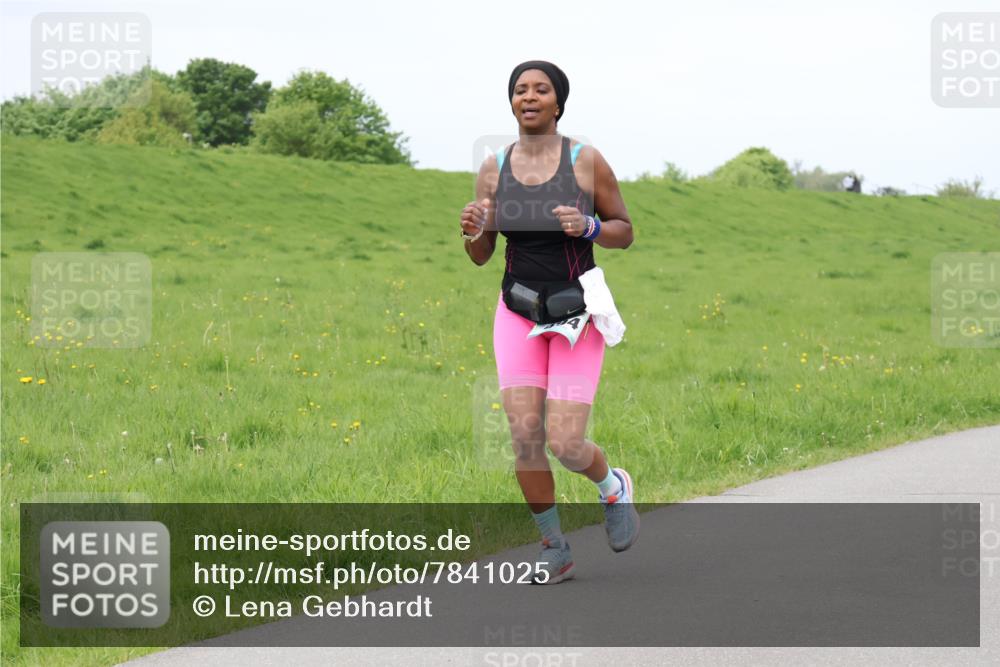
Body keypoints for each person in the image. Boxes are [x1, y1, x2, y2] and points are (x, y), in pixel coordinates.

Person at [458, 60, 638, 584]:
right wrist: (473, 230)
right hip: (516, 310)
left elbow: (624, 230)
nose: (529, 96)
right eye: (520, 90)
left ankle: (613, 488)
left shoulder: (586, 162)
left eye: (541, 90)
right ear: (511, 102)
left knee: (565, 442)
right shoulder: (494, 167)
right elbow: (482, 254)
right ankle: (554, 547)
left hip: (577, 312)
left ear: (558, 102)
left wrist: (588, 226)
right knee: (526, 438)